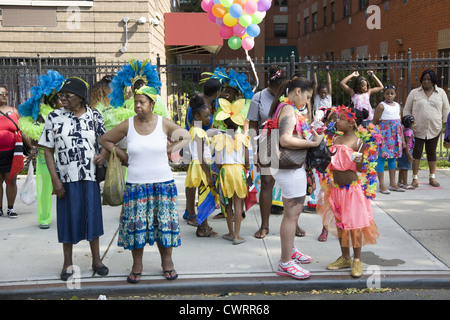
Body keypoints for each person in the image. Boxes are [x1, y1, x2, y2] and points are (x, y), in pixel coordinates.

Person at [100, 86, 190, 284]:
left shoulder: (163, 124)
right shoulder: (128, 125)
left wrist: (170, 148)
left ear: (152, 104)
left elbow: (185, 136)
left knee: (163, 226)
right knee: (135, 227)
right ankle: (137, 265)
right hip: (136, 185)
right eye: (136, 102)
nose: (138, 106)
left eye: (142, 102)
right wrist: (122, 155)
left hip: (162, 184)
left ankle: (167, 263)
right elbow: (105, 139)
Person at [38, 77, 110, 281]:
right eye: (61, 95)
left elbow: (105, 141)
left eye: (67, 96)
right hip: (65, 178)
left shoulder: (94, 116)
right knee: (67, 220)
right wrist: (55, 180)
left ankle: (97, 260)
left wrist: (102, 156)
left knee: (93, 218)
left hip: (89, 177)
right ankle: (67, 263)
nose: (63, 99)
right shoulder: (54, 117)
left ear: (80, 97)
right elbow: (47, 150)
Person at [266, 77, 324, 280]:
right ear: (298, 91)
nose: (307, 102)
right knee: (291, 215)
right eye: (307, 97)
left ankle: (290, 251)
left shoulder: (284, 106)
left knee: (293, 214)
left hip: (287, 168)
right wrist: (312, 143)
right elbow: (285, 139)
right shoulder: (289, 110)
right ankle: (285, 262)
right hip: (289, 169)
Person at [317, 106, 379, 278]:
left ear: (351, 123)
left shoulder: (358, 142)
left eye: (341, 119)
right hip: (336, 190)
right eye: (336, 119)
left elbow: (360, 168)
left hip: (352, 191)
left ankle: (357, 259)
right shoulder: (335, 139)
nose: (337, 121)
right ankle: (345, 257)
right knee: (341, 224)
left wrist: (360, 161)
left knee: (355, 226)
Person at [18, 70, 66, 228]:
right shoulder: (41, 116)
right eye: (60, 97)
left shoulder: (68, 114)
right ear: (53, 100)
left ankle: (68, 216)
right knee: (45, 188)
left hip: (65, 156)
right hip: (46, 157)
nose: (63, 99)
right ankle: (44, 218)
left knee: (67, 187)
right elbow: (33, 139)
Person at [247, 65, 287, 239]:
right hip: (265, 141)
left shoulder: (288, 96)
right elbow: (253, 125)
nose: (278, 90)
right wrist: (255, 151)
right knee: (267, 182)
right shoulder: (259, 97)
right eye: (275, 86)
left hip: (286, 141)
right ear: (270, 83)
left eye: (281, 86)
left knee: (289, 183)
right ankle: (264, 225)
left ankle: (294, 223)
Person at [212, 97, 250, 245]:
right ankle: (237, 236)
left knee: (227, 204)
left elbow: (218, 161)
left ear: (224, 123)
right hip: (239, 172)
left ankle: (229, 232)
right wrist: (244, 167)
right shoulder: (243, 138)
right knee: (238, 204)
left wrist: (223, 170)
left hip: (226, 172)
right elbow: (247, 161)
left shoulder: (220, 138)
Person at [403, 69, 450, 188]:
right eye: (424, 79)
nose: (426, 81)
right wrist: (408, 122)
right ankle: (415, 179)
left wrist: (447, 127)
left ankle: (432, 178)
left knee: (432, 152)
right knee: (417, 152)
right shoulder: (414, 93)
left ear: (433, 80)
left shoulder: (441, 93)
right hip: (417, 129)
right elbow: (407, 109)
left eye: (429, 79)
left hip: (435, 128)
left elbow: (446, 110)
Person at [184, 95, 218, 237]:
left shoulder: (194, 130)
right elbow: (201, 155)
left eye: (209, 116)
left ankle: (203, 225)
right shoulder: (198, 132)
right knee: (204, 197)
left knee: (203, 196)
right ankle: (203, 228)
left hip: (198, 166)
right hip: (201, 167)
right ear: (197, 116)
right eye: (206, 116)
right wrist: (208, 175)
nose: (209, 119)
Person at [373, 84, 404, 194]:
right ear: (384, 94)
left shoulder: (397, 106)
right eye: (387, 93)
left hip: (395, 135)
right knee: (381, 158)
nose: (389, 96)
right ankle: (382, 185)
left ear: (395, 95)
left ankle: (392, 183)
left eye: (392, 93)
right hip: (385, 135)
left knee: (393, 159)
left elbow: (399, 122)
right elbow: (375, 121)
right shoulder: (381, 106)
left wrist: (402, 139)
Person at [0, 84, 21, 218]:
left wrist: (30, 147)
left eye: (6, 94)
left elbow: (22, 130)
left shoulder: (14, 111)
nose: (4, 96)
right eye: (1, 93)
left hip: (12, 152)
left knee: (11, 180)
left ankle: (10, 208)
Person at [397, 115, 415, 189]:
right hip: (406, 152)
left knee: (402, 168)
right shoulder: (408, 132)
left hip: (403, 152)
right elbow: (407, 145)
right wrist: (409, 155)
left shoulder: (404, 129)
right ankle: (405, 183)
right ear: (411, 124)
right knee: (405, 168)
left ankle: (399, 182)